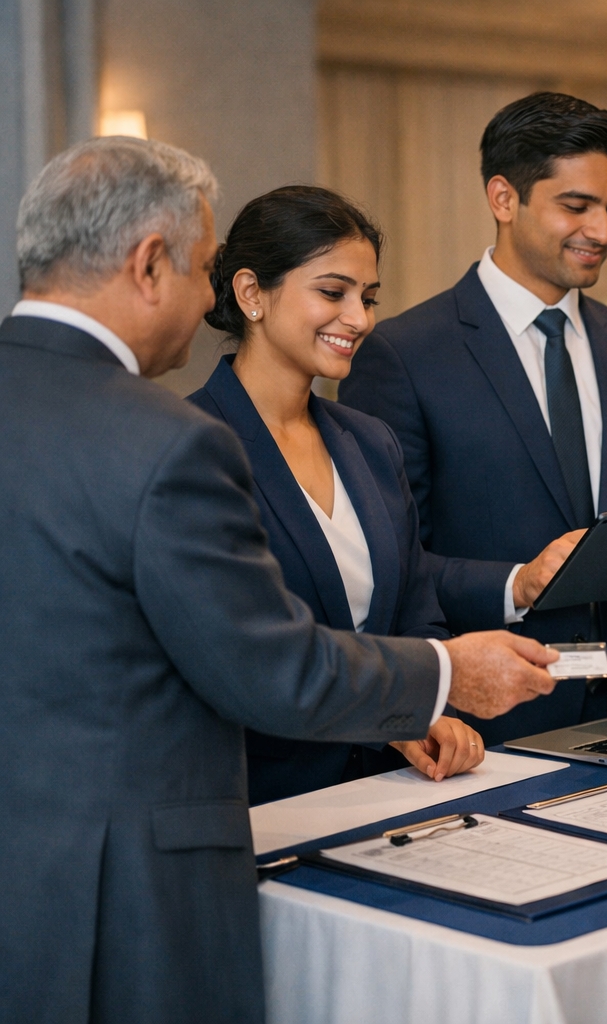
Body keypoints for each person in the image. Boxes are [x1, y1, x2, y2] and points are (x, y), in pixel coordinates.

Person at [0, 138, 556, 1021]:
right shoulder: (168, 437)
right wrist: (450, 675)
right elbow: (270, 666)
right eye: (201, 271)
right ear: (151, 264)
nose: (202, 300)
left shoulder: (347, 439)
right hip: (143, 877)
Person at [340, 91, 607, 744]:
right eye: (577, 206)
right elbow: (386, 563)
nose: (605, 231)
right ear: (504, 199)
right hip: (491, 720)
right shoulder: (405, 354)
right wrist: (517, 583)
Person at [188, 185, 487, 804]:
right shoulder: (190, 446)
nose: (360, 318)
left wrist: (416, 714)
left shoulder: (369, 440)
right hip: (258, 800)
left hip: (387, 788)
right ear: (251, 295)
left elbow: (414, 609)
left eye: (368, 297)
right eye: (333, 292)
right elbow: (232, 655)